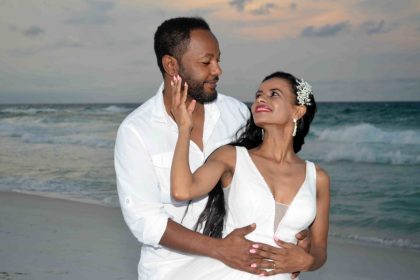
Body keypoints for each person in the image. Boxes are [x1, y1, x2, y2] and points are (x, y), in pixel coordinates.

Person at [114, 17, 311, 280]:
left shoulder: (237, 114)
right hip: (169, 272)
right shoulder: (136, 131)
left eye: (218, 60)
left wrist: (296, 234)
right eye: (206, 62)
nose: (217, 70)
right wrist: (220, 249)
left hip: (238, 270)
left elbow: (269, 181)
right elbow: (145, 221)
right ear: (171, 65)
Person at [167, 71, 330, 279]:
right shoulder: (232, 157)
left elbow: (319, 248)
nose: (261, 98)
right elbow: (182, 190)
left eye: (274, 94)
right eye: (258, 94)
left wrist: (308, 261)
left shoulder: (318, 178)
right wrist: (184, 128)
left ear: (297, 111)